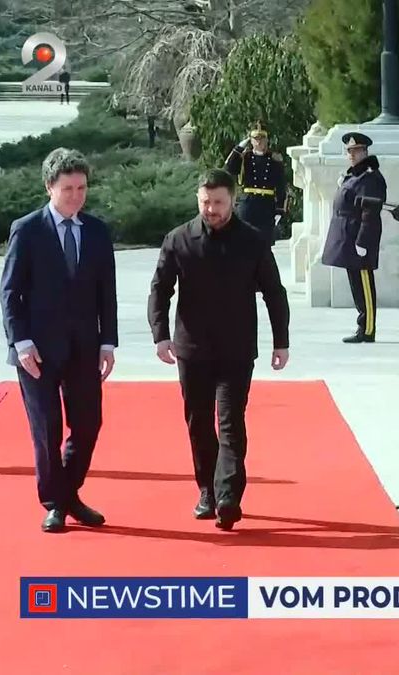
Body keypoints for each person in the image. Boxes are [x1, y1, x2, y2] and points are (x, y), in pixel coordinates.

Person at [147, 168, 290, 531]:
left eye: (219, 202)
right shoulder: (179, 239)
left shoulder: (252, 241)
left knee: (230, 423)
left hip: (236, 350)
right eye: (205, 202)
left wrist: (281, 341)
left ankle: (228, 496)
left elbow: (274, 293)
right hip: (192, 349)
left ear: (233, 201)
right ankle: (207, 491)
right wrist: (160, 335)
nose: (211, 209)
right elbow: (160, 290)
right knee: (198, 423)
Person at [0, 147, 117, 533]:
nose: (76, 196)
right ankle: (55, 503)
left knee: (88, 424)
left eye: (82, 188)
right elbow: (10, 292)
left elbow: (106, 291)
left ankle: (67, 494)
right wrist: (20, 342)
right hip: (36, 351)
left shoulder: (97, 231)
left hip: (84, 346)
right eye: (68, 189)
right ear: (49, 187)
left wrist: (107, 342)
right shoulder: (27, 230)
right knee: (47, 428)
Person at [320, 131, 387, 344]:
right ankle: (362, 325)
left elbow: (369, 212)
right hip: (348, 236)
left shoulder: (370, 177)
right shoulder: (354, 175)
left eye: (356, 151)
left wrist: (363, 241)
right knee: (356, 283)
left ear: (365, 152)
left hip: (359, 236)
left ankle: (367, 329)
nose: (352, 155)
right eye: (349, 151)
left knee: (364, 284)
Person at [224, 121, 289, 242]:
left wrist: (280, 209)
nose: (259, 142)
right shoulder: (245, 158)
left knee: (265, 243)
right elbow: (229, 168)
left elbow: (281, 186)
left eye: (262, 138)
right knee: (245, 242)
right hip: (248, 204)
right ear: (251, 140)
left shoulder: (274, 160)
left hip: (266, 205)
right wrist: (239, 147)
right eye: (255, 138)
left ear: (267, 140)